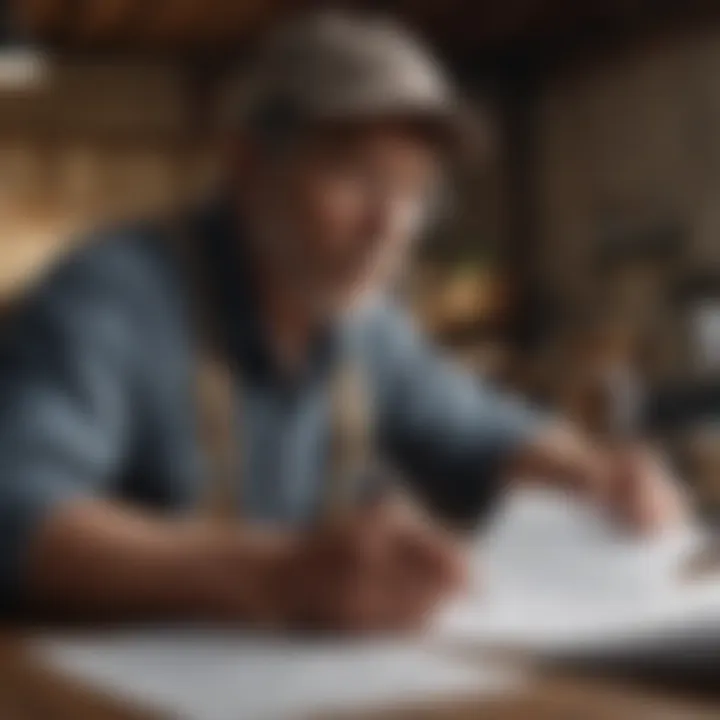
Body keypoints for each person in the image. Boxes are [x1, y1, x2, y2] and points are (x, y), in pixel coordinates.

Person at [0, 11, 685, 631]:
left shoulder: (364, 325)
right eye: (355, 175)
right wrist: (276, 575)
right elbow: (16, 507)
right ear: (246, 167)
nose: (389, 227)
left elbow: (483, 432)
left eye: (415, 191)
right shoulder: (115, 295)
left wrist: (594, 474)